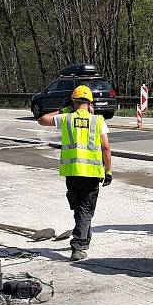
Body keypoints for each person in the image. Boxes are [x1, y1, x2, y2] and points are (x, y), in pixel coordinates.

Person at [38, 85, 112, 261]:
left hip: (72, 172)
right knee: (85, 210)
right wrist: (108, 170)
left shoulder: (66, 118)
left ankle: (84, 238)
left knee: (81, 208)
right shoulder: (98, 121)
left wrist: (63, 111)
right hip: (92, 172)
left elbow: (42, 119)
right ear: (90, 103)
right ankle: (78, 246)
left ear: (73, 102)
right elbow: (106, 147)